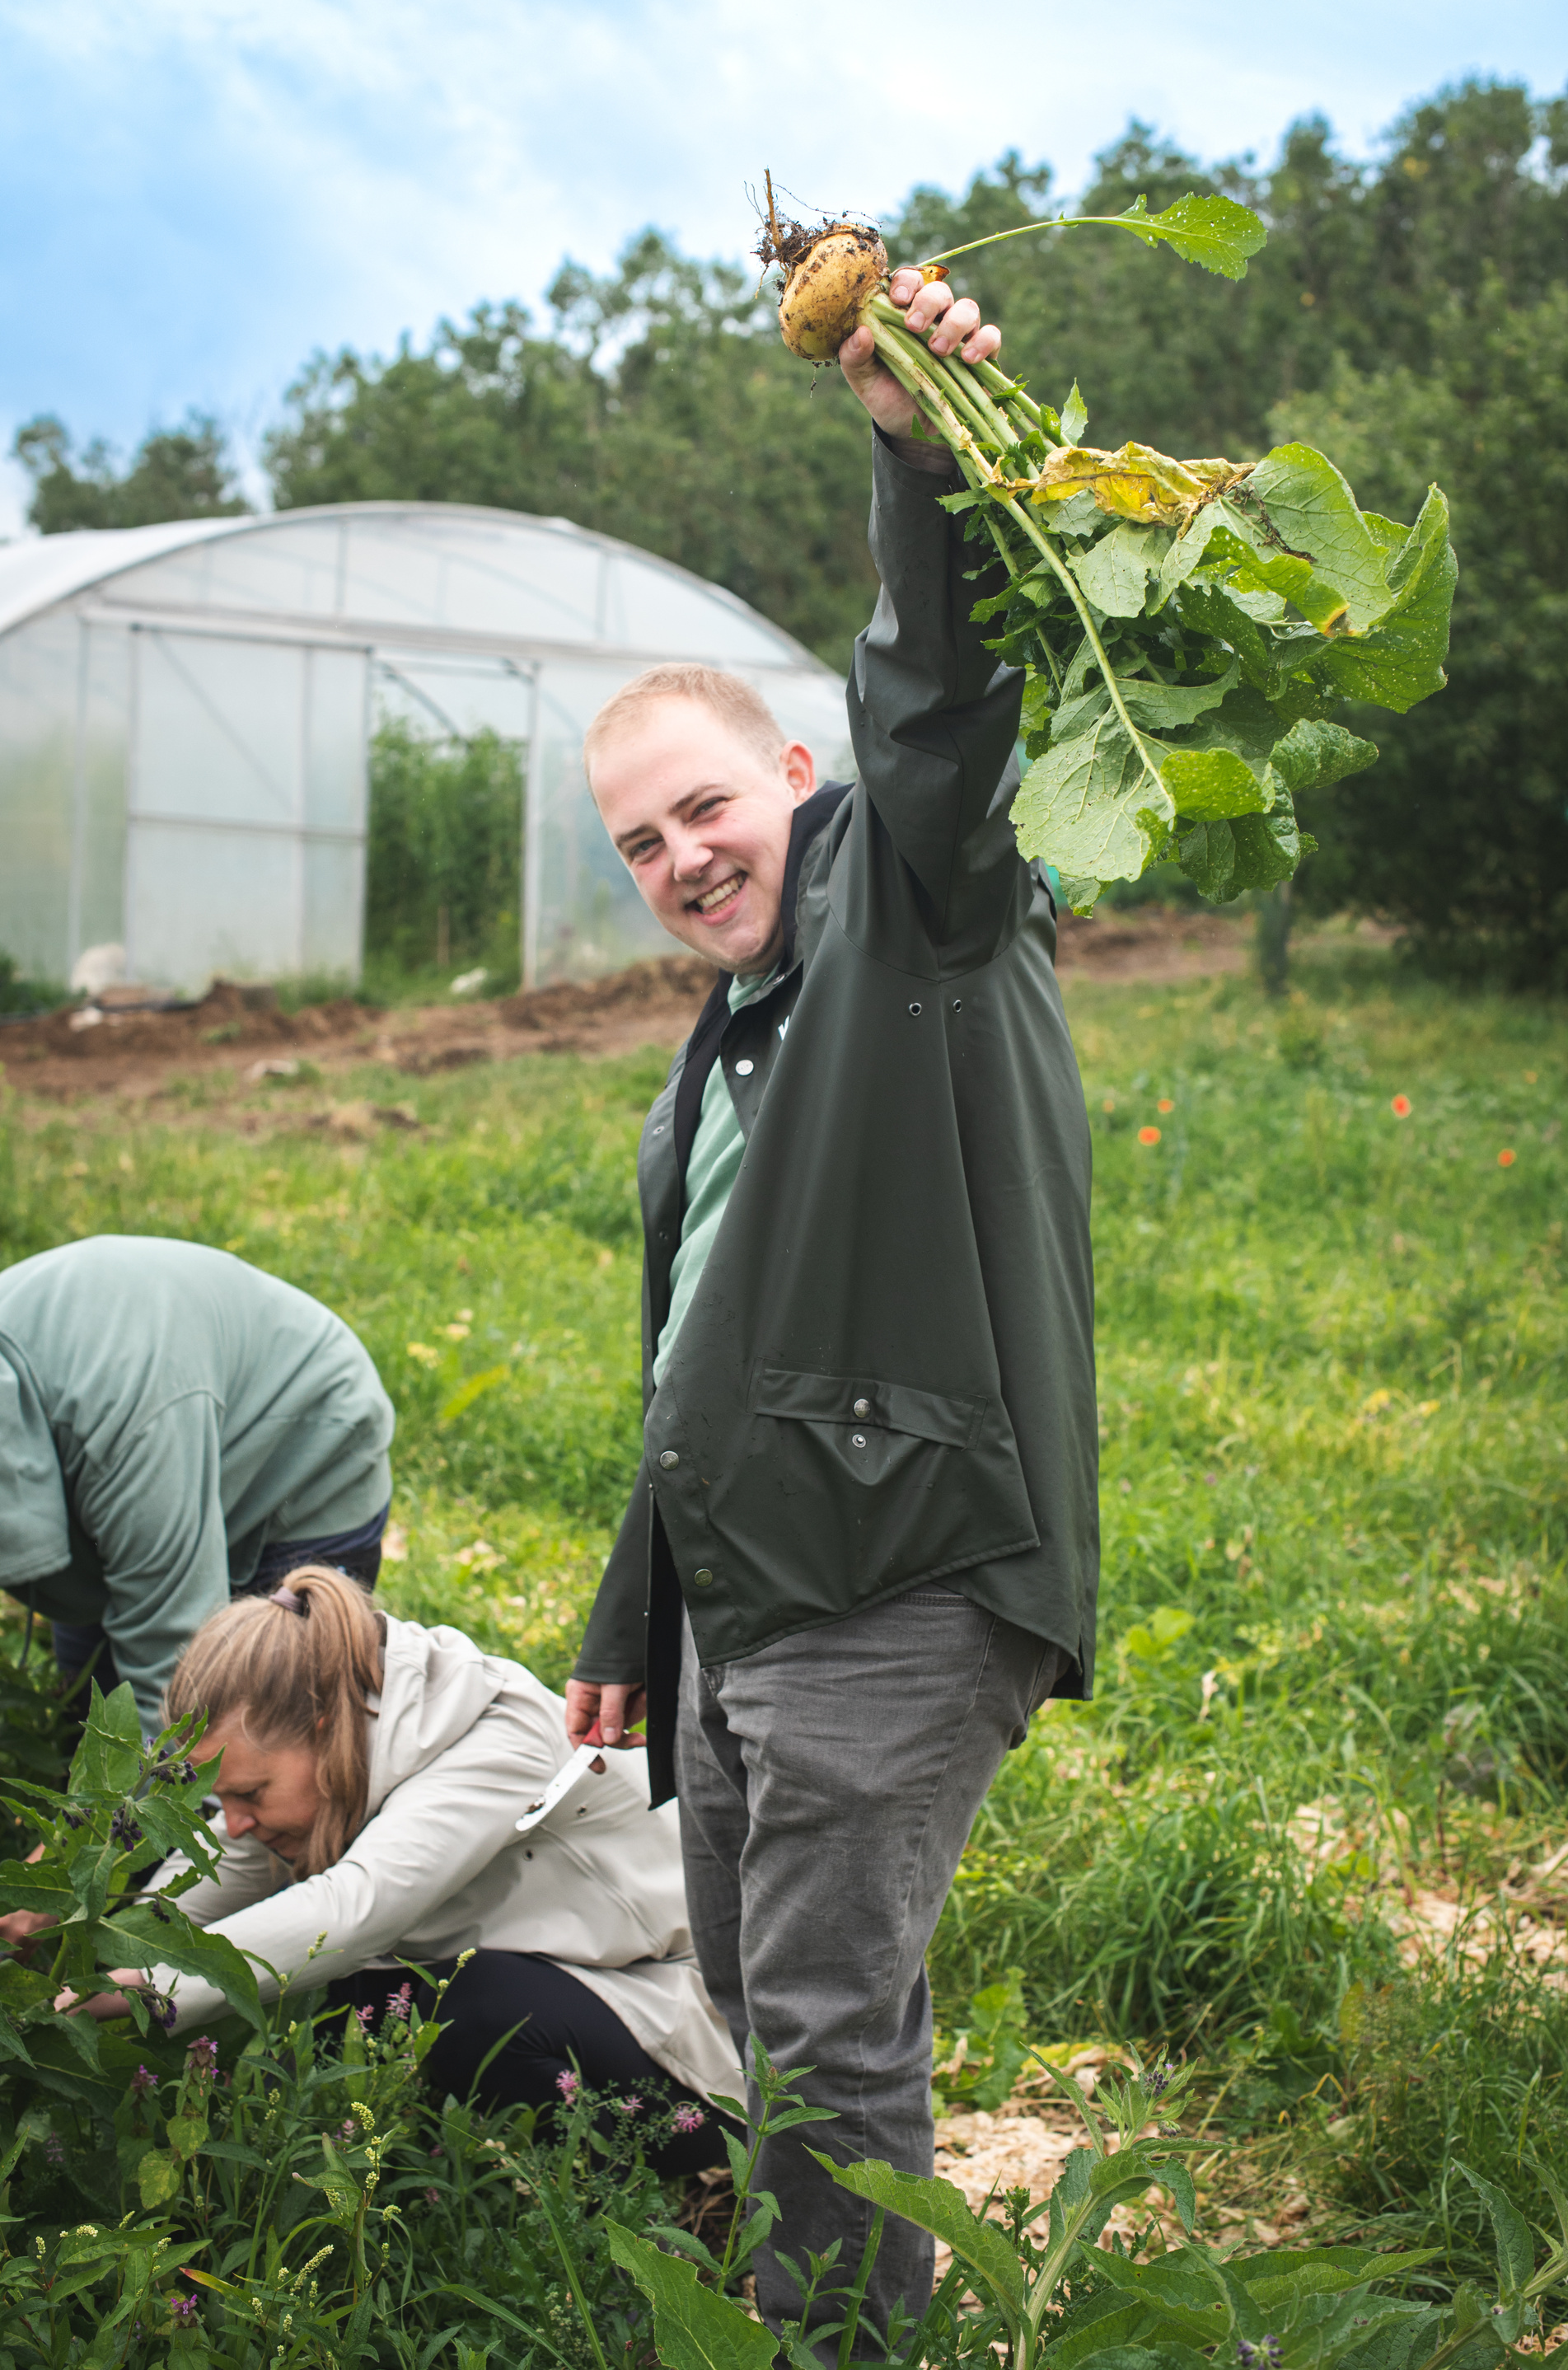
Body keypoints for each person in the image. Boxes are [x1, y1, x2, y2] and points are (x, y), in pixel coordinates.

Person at [564, 268, 1099, 2344]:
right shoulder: (719, 1049)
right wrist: (629, 1614)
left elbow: (940, 698)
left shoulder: (916, 899)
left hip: (904, 1558)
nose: (685, 858)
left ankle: (839, 2340)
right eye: (642, 844)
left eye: (706, 806)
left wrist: (910, 445)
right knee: (764, 1993)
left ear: (794, 769)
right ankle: (847, 2298)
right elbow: (697, 1345)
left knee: (818, 2029)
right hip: (749, 1582)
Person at [53, 1563, 742, 2171]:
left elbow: (354, 1911)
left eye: (251, 1794)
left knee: (457, 2005)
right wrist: (94, 1958)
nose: (234, 1822)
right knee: (356, 2000)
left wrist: (142, 1988)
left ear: (322, 1729)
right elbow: (219, 1874)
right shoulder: (346, 1738)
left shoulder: (495, 1738)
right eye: (221, 1798)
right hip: (591, 1988)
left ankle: (585, 2209)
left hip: (694, 2039)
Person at [0, 1234, 395, 1735]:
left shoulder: (127, 1430)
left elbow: (177, 1679)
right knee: (89, 1721)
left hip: (303, 1456)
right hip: (139, 1454)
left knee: (269, 1738)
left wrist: (166, 1773)